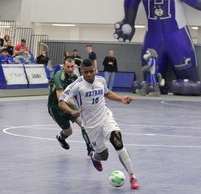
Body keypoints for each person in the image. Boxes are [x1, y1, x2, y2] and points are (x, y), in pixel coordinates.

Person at [58, 59, 140, 190]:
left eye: (92, 71)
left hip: (106, 117)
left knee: (118, 143)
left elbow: (106, 93)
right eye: (86, 72)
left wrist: (121, 99)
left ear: (95, 70)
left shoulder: (101, 80)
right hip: (91, 126)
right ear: (81, 72)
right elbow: (61, 102)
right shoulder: (76, 85)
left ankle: (132, 176)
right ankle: (94, 157)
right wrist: (72, 111)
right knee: (103, 155)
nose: (89, 75)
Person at [48, 56, 94, 155]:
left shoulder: (75, 77)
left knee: (83, 125)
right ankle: (60, 137)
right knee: (68, 131)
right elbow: (61, 97)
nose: (70, 69)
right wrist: (76, 105)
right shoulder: (59, 76)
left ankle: (90, 149)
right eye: (67, 67)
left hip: (69, 103)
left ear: (75, 67)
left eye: (72, 66)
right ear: (63, 66)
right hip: (56, 108)